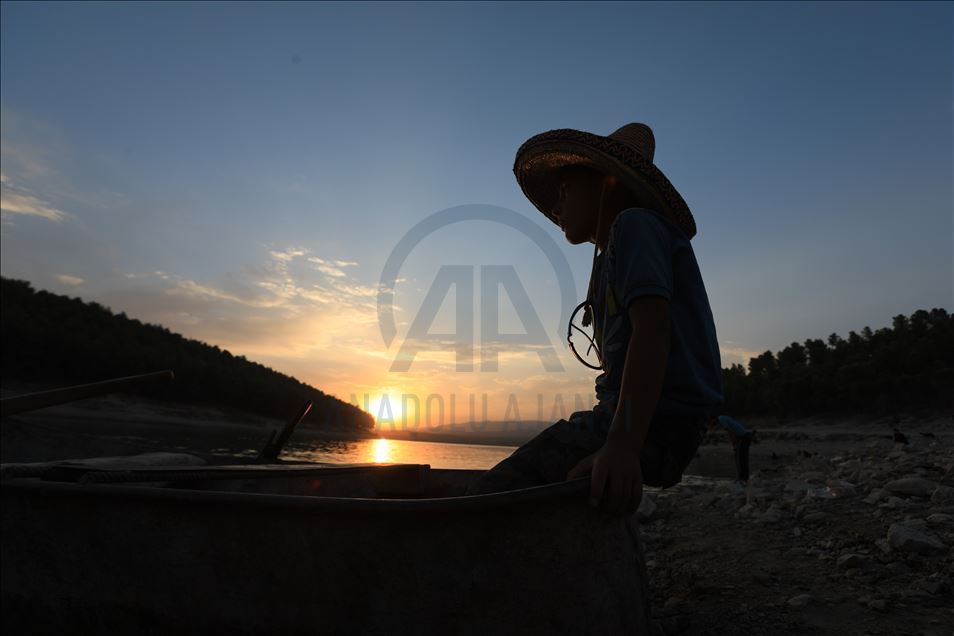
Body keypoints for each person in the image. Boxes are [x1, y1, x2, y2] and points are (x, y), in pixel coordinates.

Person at [465, 122, 724, 517]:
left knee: (496, 490)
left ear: (607, 183)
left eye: (565, 190)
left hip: (657, 425)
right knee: (563, 492)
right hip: (645, 424)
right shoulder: (610, 256)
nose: (556, 207)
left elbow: (653, 333)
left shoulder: (634, 225)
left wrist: (621, 447)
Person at [707, 414, 755, 484]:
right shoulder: (722, 418)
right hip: (746, 436)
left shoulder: (721, 420)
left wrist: (734, 445)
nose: (711, 423)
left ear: (713, 419)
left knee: (739, 458)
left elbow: (731, 432)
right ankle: (745, 477)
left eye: (710, 422)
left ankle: (741, 477)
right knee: (743, 458)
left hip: (743, 437)